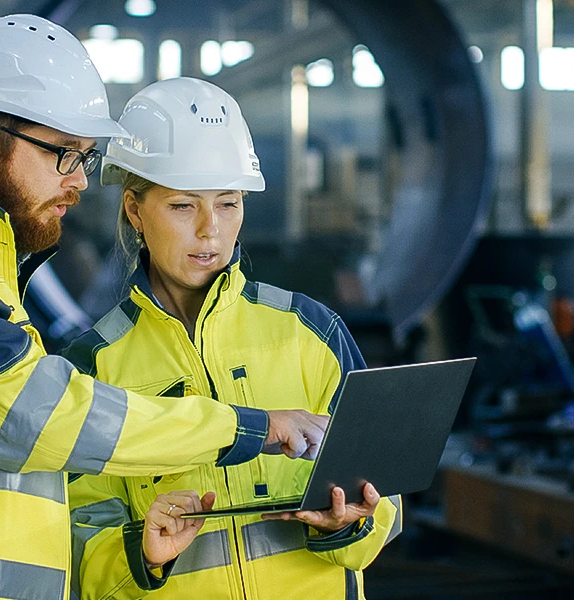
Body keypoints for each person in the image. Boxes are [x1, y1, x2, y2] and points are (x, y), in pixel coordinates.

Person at [0, 16, 330, 600]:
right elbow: (38, 418)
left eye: (83, 157)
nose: (79, 181)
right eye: (64, 154)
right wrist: (247, 427)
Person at [64, 77, 402, 600]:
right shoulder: (94, 368)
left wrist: (349, 523)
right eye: (182, 206)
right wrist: (139, 553)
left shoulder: (311, 332)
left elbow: (385, 501)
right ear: (134, 209)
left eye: (228, 203)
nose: (211, 231)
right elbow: (77, 551)